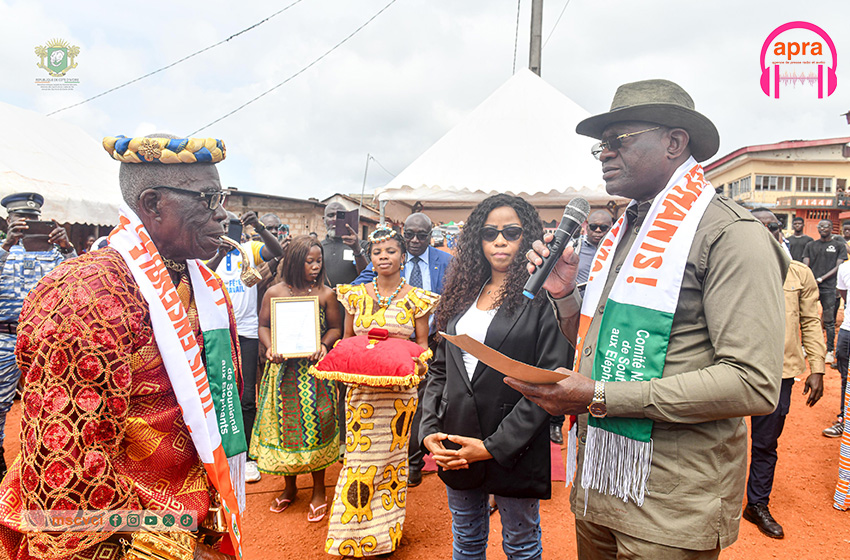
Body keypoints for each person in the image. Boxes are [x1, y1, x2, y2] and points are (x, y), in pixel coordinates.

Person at [513, 79, 787, 559]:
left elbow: (752, 383)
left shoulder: (731, 235)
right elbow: (599, 345)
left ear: (674, 142)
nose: (604, 153)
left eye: (618, 140)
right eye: (601, 145)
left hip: (671, 502)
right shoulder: (625, 231)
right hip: (601, 480)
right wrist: (565, 296)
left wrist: (599, 397)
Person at [0, 134, 246, 560]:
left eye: (221, 198)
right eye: (208, 199)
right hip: (124, 539)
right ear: (153, 204)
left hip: (198, 518)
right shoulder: (85, 294)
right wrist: (172, 549)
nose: (223, 214)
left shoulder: (206, 287)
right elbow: (67, 468)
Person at [419, 194, 569, 560]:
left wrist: (493, 447)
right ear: (478, 239)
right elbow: (441, 368)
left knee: (521, 545)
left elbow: (548, 383)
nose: (499, 241)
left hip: (515, 445)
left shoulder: (544, 297)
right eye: (490, 233)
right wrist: (428, 428)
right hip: (456, 439)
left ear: (528, 237)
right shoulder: (461, 293)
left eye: (511, 232)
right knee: (466, 540)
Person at [325, 227, 439, 557]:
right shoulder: (353, 295)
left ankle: (383, 537)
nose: (383, 257)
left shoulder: (417, 299)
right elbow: (347, 339)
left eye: (390, 251)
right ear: (370, 258)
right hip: (361, 393)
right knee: (358, 461)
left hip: (398, 397)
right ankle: (349, 537)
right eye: (377, 252)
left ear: (403, 257)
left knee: (390, 462)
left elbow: (422, 344)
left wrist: (419, 367)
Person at [351, 212, 453, 486]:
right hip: (392, 347)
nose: (416, 240)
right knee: (392, 405)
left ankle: (414, 461)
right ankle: (388, 459)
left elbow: (459, 295)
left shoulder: (446, 262)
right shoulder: (388, 257)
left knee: (423, 402)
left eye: (422, 235)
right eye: (410, 235)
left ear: (431, 235)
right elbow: (359, 289)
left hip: (433, 341)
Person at [745, 208, 825, 539]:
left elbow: (810, 321)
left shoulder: (799, 273)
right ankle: (712, 501)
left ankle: (757, 504)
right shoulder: (732, 266)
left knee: (765, 443)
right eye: (759, 226)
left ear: (781, 231)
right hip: (733, 369)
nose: (768, 232)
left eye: (773, 227)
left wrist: (817, 367)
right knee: (717, 437)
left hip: (779, 373)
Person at [250, 235, 342, 521]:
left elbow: (336, 328)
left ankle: (318, 489)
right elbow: (263, 325)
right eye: (309, 261)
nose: (316, 266)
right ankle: (289, 487)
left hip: (314, 373)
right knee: (285, 428)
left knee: (318, 426)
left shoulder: (326, 294)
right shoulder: (274, 292)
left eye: (319, 261)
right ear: (293, 262)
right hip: (282, 373)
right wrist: (270, 347)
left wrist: (324, 345)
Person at [0, 192, 77, 479]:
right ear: (8, 220)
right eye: (21, 218)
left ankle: (46, 467)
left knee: (50, 404)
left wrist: (67, 248)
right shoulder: (2, 249)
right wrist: (7, 244)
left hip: (45, 341)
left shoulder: (57, 254)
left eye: (33, 219)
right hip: (5, 338)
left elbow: (79, 281)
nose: (27, 223)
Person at [207, 210, 283, 483]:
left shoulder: (249, 249)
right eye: (222, 224)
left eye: (232, 225)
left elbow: (277, 251)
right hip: (217, 331)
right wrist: (220, 253)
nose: (227, 229)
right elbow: (203, 276)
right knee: (216, 393)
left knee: (247, 395)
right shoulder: (206, 249)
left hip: (248, 332)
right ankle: (219, 454)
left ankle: (248, 457)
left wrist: (259, 227)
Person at [803, 219, 847, 364]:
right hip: (812, 286)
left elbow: (838, 266)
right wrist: (811, 279)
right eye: (821, 226)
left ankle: (829, 351)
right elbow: (805, 265)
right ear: (818, 228)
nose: (823, 228)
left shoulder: (839, 246)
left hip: (829, 287)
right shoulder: (810, 245)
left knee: (829, 321)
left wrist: (821, 279)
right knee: (807, 317)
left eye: (826, 226)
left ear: (831, 228)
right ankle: (805, 347)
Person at [322, 202, 367, 288]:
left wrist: (357, 250)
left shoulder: (362, 246)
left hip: (353, 295)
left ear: (347, 219)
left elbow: (367, 276)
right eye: (331, 216)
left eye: (340, 216)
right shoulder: (318, 247)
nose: (335, 219)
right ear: (324, 220)